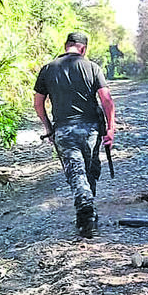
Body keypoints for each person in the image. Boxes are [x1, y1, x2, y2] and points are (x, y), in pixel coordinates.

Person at [34, 31, 116, 237]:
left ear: (66, 46)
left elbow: (38, 103)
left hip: (63, 130)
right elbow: (106, 100)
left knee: (75, 172)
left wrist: (48, 127)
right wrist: (111, 128)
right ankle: (88, 210)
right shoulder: (92, 67)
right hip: (91, 129)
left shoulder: (47, 69)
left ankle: (86, 209)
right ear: (83, 49)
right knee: (89, 170)